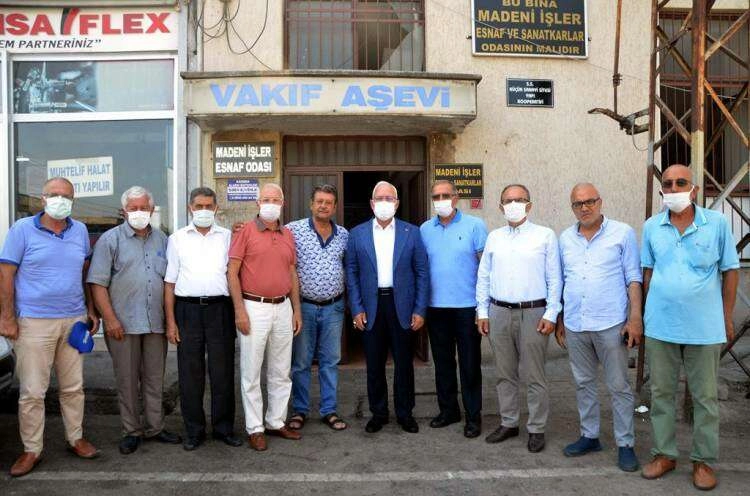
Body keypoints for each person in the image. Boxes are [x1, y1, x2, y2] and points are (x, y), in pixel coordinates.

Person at [640, 164, 739, 491]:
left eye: (680, 183)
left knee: (705, 398)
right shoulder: (652, 227)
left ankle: (703, 461)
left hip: (704, 327)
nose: (673, 188)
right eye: (667, 184)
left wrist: (726, 317)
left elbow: (730, 271)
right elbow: (648, 274)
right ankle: (664, 454)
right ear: (662, 191)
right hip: (661, 326)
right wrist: (644, 315)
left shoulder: (717, 224)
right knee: (661, 394)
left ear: (694, 189)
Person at [0, 177, 100, 477]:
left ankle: (76, 438)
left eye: (66, 196)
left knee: (73, 387)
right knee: (32, 391)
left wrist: (90, 309)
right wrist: (7, 317)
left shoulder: (79, 230)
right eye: (54, 194)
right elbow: (6, 274)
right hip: (33, 322)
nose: (60, 200)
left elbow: (83, 273)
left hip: (73, 319)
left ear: (73, 201)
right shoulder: (22, 229)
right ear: (42, 198)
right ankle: (32, 449)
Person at [87, 186, 181, 455]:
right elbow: (97, 283)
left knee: (154, 378)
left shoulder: (163, 239)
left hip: (155, 323)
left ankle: (155, 427)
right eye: (133, 208)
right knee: (127, 381)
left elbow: (170, 281)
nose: (139, 212)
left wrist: (170, 321)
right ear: (124, 211)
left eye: (144, 208)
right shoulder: (110, 240)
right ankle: (131, 431)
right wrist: (110, 319)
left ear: (151, 210)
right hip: (122, 324)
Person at [556, 183, 641, 472]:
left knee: (618, 386)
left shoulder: (622, 233)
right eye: (578, 203)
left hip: (611, 324)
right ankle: (589, 436)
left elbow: (633, 279)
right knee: (583, 383)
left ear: (600, 202)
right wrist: (560, 319)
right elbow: (561, 281)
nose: (585, 207)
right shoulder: (565, 238)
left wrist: (635, 319)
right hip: (576, 323)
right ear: (572, 207)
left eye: (590, 201)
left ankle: (625, 444)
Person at [476, 184, 562, 453]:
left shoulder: (545, 235)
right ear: (500, 207)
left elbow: (555, 278)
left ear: (529, 205)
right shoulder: (494, 237)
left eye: (519, 199)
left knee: (534, 375)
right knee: (504, 373)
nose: (513, 205)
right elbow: (484, 276)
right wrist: (482, 312)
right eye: (508, 201)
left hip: (534, 312)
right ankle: (509, 422)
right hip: (499, 312)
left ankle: (536, 428)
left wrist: (551, 313)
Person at [345, 181, 429, 434]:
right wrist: (356, 308)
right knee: (374, 363)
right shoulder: (357, 234)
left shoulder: (412, 232)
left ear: (397, 203)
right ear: (372, 204)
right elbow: (351, 272)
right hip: (371, 305)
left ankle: (405, 413)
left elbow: (422, 272)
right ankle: (378, 413)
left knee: (404, 363)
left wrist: (420, 309)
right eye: (379, 198)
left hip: (401, 304)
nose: (384, 202)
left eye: (389, 198)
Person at [164, 187, 241, 450]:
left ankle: (223, 428)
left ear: (216, 208)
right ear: (190, 208)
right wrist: (171, 322)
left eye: (209, 206)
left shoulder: (228, 237)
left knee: (223, 372)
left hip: (220, 309)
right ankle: (194, 431)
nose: (204, 211)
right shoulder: (177, 239)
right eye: (199, 206)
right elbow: (169, 282)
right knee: (190, 374)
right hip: (187, 311)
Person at [228, 183, 303, 451]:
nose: (271, 204)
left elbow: (292, 273)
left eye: (275, 200)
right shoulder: (245, 232)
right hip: (253, 307)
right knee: (251, 372)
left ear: (283, 204)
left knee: (281, 370)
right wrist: (239, 310)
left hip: (283, 307)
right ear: (258, 203)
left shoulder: (288, 234)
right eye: (266, 199)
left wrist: (296, 310)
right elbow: (232, 272)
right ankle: (255, 427)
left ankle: (275, 421)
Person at [420, 180, 487, 438]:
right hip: (436, 308)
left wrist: (483, 308)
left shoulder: (475, 225)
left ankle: (473, 416)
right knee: (443, 364)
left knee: (470, 365)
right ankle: (448, 411)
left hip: (467, 308)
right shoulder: (425, 229)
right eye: (436, 196)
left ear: (456, 198)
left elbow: (485, 268)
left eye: (445, 195)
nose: (441, 200)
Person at [286, 185, 349, 431]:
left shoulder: (344, 235)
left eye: (328, 202)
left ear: (335, 207)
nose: (323, 206)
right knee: (301, 362)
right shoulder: (293, 230)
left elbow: (350, 267)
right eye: (319, 201)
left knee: (330, 361)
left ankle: (329, 410)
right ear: (311, 204)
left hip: (334, 307)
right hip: (304, 307)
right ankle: (300, 410)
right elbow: (270, 237)